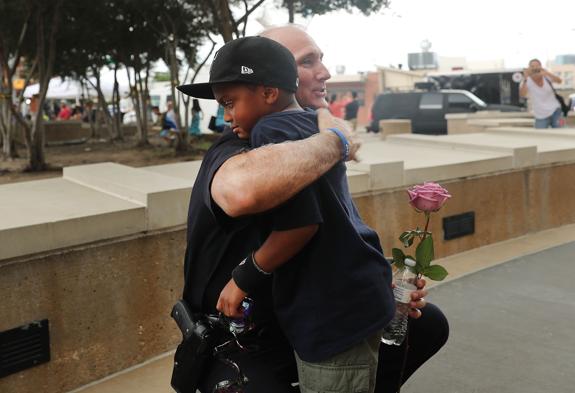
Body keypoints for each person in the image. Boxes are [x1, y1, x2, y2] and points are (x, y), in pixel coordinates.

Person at [176, 25, 446, 393]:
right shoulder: (248, 144)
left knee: (428, 325)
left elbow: (332, 228)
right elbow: (244, 191)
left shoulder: (300, 134)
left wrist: (386, 285)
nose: (325, 72)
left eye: (320, 58)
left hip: (321, 315)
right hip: (244, 339)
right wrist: (335, 137)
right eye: (307, 61)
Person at [520, 58, 563, 129]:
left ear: (541, 67)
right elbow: (522, 94)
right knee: (540, 137)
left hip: (556, 110)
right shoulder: (526, 81)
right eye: (532, 67)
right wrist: (525, 78)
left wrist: (547, 73)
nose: (535, 68)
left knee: (562, 132)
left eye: (537, 66)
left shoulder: (546, 77)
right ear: (529, 68)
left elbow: (559, 81)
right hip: (540, 115)